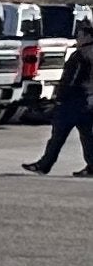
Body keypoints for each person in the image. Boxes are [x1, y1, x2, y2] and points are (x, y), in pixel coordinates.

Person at [27, 39, 93, 174]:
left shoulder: (80, 55)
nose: (78, 38)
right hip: (89, 101)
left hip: (72, 102)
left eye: (80, 35)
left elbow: (71, 79)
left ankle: (44, 165)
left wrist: (60, 97)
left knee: (58, 136)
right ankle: (92, 167)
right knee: (88, 137)